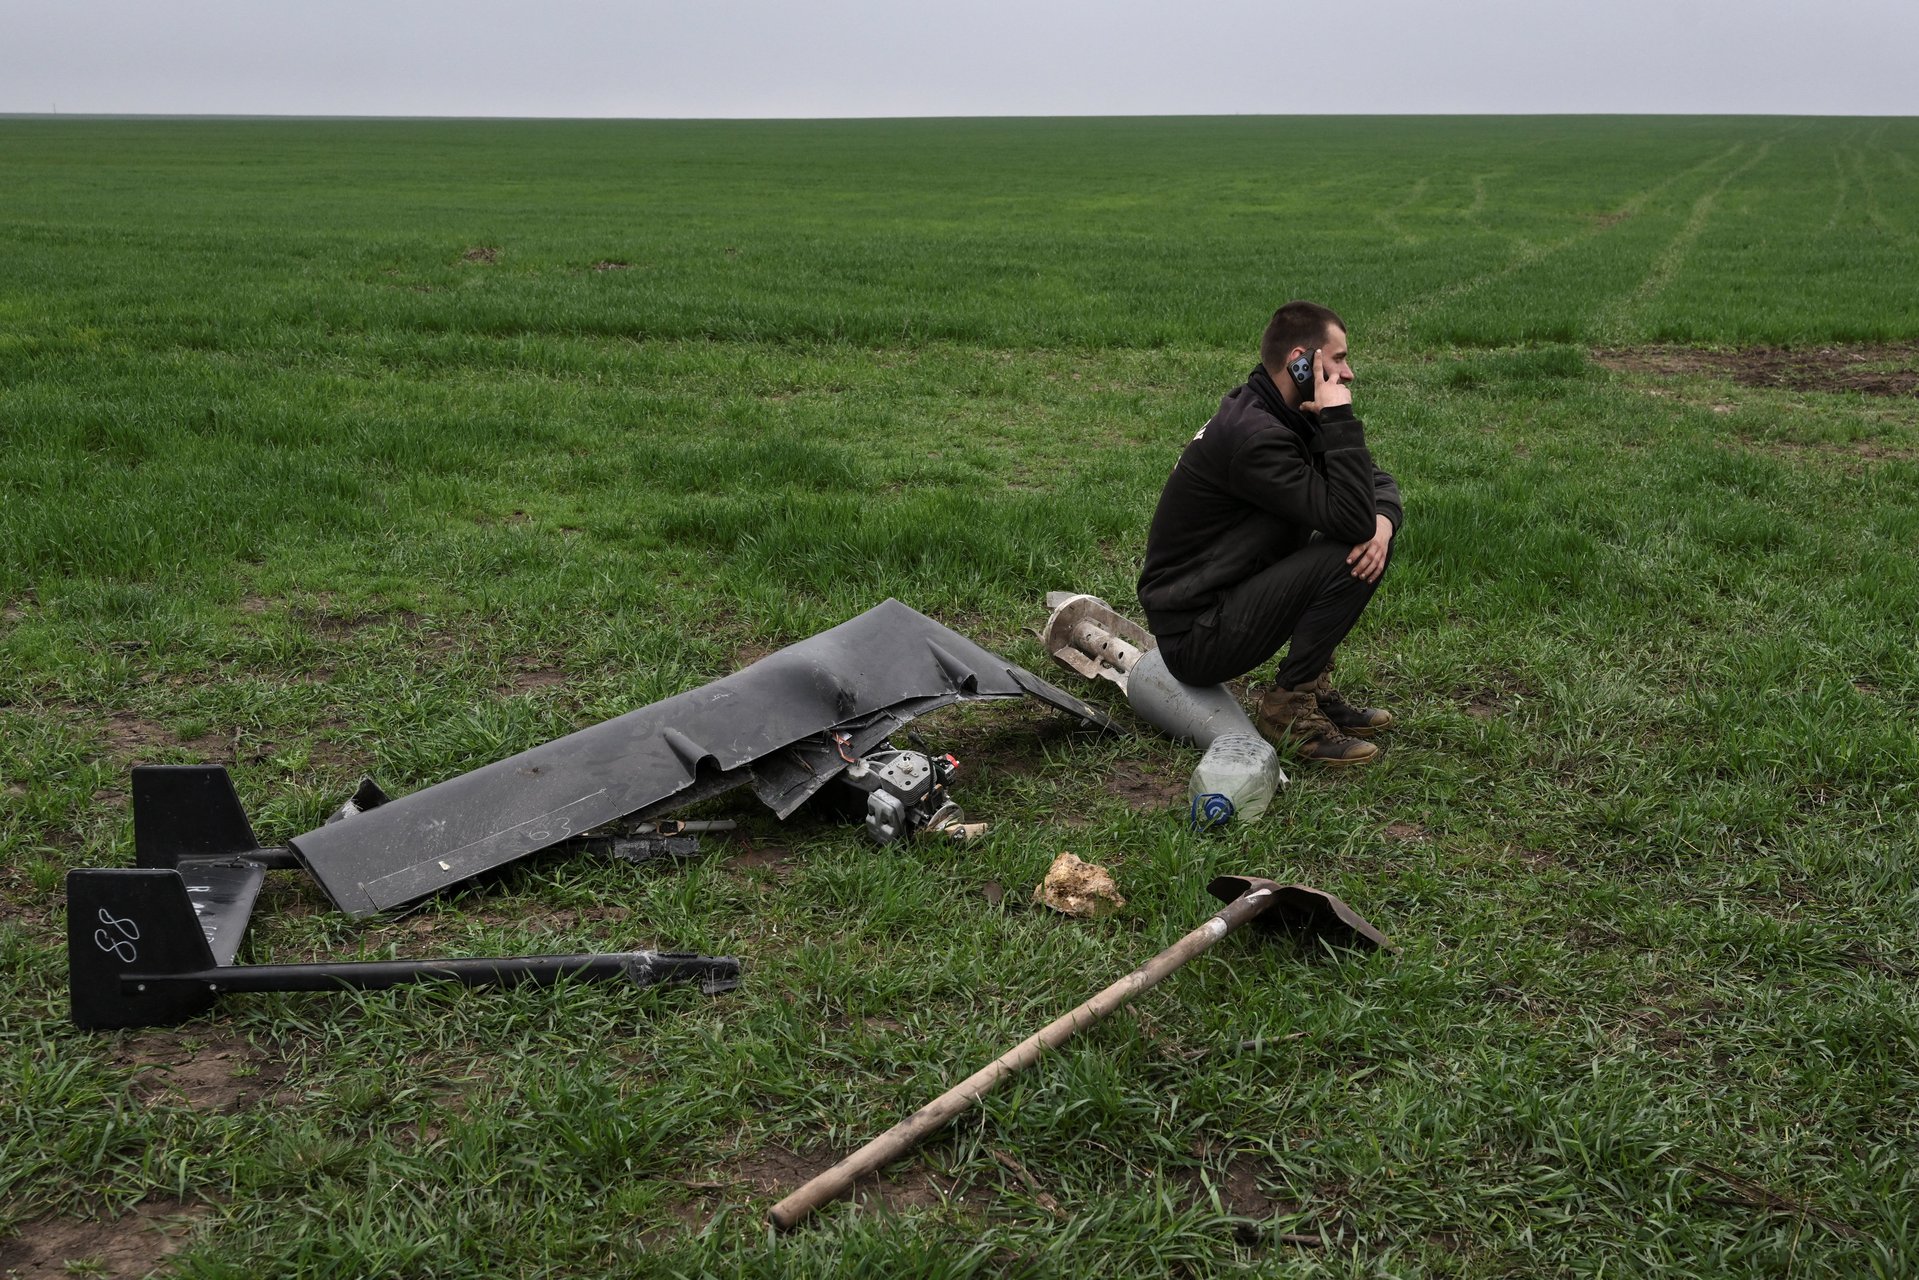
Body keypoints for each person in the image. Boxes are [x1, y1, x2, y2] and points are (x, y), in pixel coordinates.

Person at [1136, 301, 1401, 766]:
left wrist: (1383, 522)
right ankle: (1288, 709)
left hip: (1224, 601)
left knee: (1364, 537)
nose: (1350, 373)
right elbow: (1352, 517)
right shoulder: (1257, 437)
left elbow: (1374, 486)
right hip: (1197, 636)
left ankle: (1310, 684)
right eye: (1338, 359)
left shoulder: (1284, 411)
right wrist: (1340, 421)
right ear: (1302, 360)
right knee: (1348, 552)